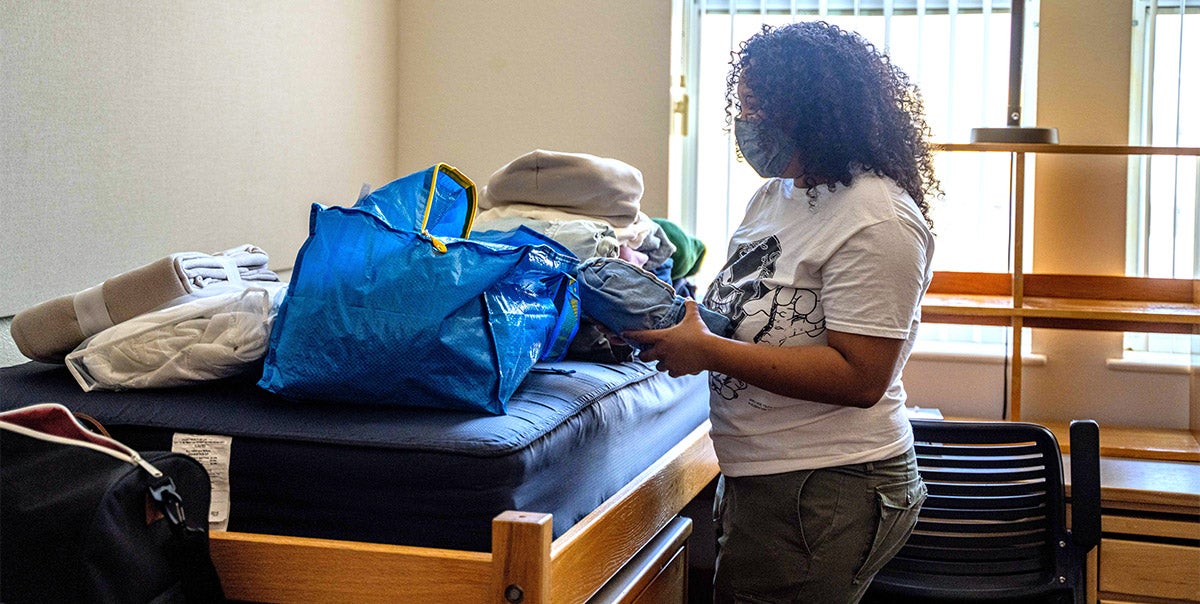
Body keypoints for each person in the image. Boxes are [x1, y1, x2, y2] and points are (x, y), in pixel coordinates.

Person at [624, 21, 938, 604]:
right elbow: (748, 312)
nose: (747, 124)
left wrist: (708, 351)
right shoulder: (776, 196)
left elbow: (861, 377)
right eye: (743, 107)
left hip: (825, 486)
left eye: (761, 108)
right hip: (766, 477)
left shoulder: (877, 218)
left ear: (814, 111)